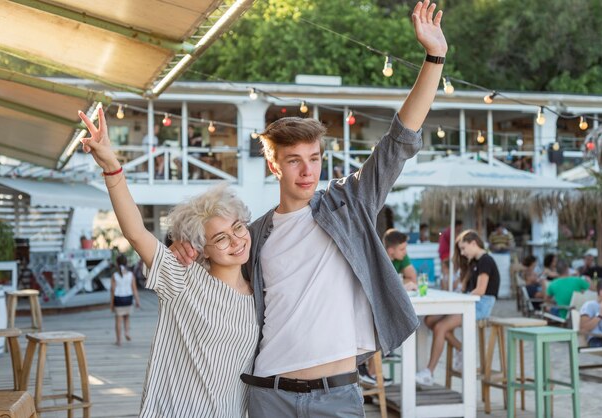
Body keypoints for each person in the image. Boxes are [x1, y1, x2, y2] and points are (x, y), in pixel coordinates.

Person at [171, 2, 448, 415]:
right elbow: (219, 283)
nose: (306, 171)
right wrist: (184, 254)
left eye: (314, 158)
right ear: (274, 164)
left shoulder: (349, 203)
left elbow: (399, 140)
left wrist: (434, 58)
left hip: (336, 395)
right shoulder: (255, 233)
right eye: (294, 160)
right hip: (268, 392)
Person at [78, 108, 259, 417]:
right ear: (202, 249)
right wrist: (112, 166)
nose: (236, 240)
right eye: (221, 238)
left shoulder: (261, 292)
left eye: (238, 227)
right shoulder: (182, 279)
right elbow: (136, 233)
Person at [417, 230, 499, 385]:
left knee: (440, 327)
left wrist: (462, 296)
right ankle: (462, 349)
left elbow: (480, 291)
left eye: (463, 248)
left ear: (474, 243)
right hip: (471, 301)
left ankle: (429, 372)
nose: (462, 252)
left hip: (481, 305)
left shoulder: (486, 261)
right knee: (429, 320)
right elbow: (464, 288)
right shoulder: (474, 263)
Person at [110, 253, 140, 346]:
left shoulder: (114, 275)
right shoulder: (131, 275)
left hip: (118, 299)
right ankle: (127, 332)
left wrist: (111, 304)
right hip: (128, 299)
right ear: (126, 263)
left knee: (118, 320)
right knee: (127, 318)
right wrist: (137, 301)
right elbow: (134, 289)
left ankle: (119, 340)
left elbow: (112, 290)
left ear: (117, 263)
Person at [438, 219, 463, 287]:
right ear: (457, 226)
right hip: (446, 254)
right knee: (447, 272)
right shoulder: (450, 231)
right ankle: (449, 287)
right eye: (460, 227)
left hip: (445, 253)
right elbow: (456, 241)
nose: (461, 229)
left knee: (445, 274)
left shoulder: (448, 231)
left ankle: (447, 287)